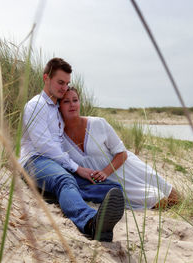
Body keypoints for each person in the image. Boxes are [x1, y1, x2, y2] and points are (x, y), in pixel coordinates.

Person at [19, 58, 125, 242]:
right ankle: (91, 223)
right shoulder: (35, 106)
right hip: (35, 161)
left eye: (67, 83)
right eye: (60, 82)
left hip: (56, 164)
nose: (64, 87)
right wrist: (77, 168)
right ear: (46, 78)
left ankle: (60, 193)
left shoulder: (57, 108)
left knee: (113, 188)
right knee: (65, 179)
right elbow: (46, 147)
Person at [59, 87, 180, 210]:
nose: (72, 105)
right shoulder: (58, 138)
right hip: (110, 185)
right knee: (159, 202)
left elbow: (122, 153)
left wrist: (105, 172)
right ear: (59, 106)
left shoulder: (98, 124)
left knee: (175, 198)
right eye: (66, 101)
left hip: (127, 169)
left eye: (75, 100)